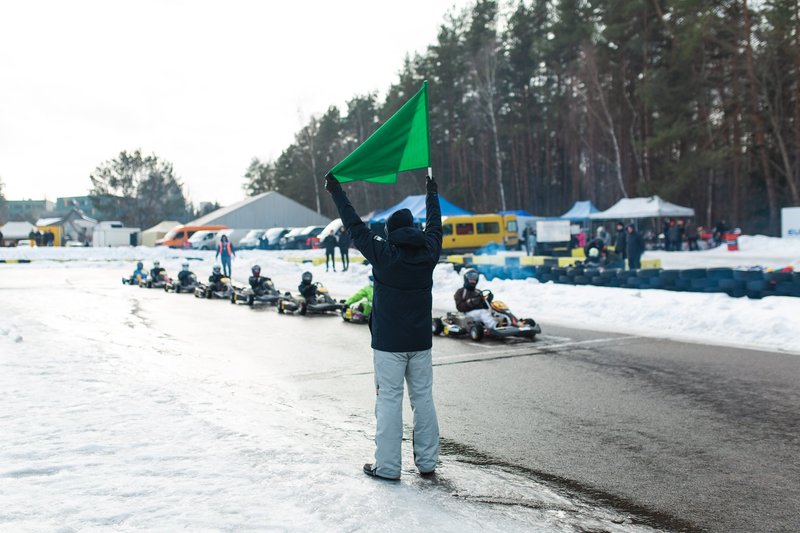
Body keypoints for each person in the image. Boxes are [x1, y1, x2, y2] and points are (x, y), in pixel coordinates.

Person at [326, 173, 441, 481]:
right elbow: (435, 225)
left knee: (389, 401)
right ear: (413, 229)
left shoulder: (384, 254)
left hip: (389, 345)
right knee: (424, 399)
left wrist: (337, 190)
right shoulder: (430, 251)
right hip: (420, 343)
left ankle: (388, 468)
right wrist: (432, 192)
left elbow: (354, 225)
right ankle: (428, 463)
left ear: (391, 232)